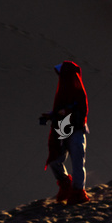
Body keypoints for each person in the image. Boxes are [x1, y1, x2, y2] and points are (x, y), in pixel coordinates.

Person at [42, 61, 90, 205]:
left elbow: (82, 111)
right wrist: (52, 115)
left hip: (76, 131)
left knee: (77, 163)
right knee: (55, 160)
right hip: (62, 131)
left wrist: (67, 112)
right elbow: (60, 108)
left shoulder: (78, 90)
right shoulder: (62, 90)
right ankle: (65, 184)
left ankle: (77, 192)